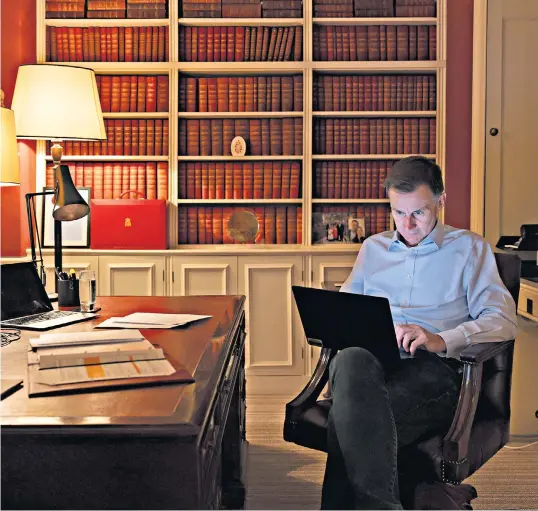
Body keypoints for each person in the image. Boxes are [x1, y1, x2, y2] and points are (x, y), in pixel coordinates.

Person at [321, 156, 517, 510]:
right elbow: (346, 311)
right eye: (398, 213)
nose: (407, 224)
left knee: (349, 419)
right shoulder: (373, 249)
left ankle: (417, 495)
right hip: (373, 364)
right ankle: (423, 495)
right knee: (350, 361)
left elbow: (503, 319)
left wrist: (442, 339)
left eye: (419, 213)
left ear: (441, 202)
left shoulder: (469, 249)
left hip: (436, 369)